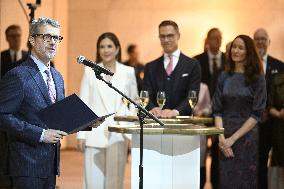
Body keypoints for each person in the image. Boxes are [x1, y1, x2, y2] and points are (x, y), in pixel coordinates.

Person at [0, 17, 69, 189]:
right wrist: (40, 134)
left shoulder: (57, 77)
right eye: (47, 37)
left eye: (56, 38)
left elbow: (59, 115)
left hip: (51, 164)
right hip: (26, 164)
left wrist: (88, 123)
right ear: (32, 39)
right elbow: (3, 116)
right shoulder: (18, 75)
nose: (53, 42)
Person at [77, 32, 138, 189]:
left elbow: (134, 103)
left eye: (109, 46)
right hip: (94, 134)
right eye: (102, 46)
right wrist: (81, 134)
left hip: (118, 135)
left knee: (114, 182)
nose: (106, 50)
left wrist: (129, 129)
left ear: (117, 49)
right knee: (93, 183)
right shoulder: (89, 72)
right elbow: (83, 103)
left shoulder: (128, 72)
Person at [212, 35, 266, 188]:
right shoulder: (223, 76)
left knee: (245, 181)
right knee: (226, 181)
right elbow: (217, 110)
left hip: (246, 138)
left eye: (240, 48)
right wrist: (222, 138)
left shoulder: (257, 78)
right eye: (234, 47)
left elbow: (257, 114)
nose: (235, 50)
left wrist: (232, 139)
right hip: (224, 136)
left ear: (249, 52)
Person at [143, 20, 201, 118]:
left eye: (170, 36)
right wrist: (152, 108)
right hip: (155, 123)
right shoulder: (150, 67)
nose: (166, 40)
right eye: (162, 36)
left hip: (183, 124)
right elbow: (146, 95)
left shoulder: (192, 65)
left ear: (178, 36)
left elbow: (192, 96)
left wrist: (175, 111)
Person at [194, 28, 225, 189]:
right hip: (199, 115)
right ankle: (199, 183)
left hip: (221, 115)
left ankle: (216, 183)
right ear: (207, 39)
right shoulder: (196, 60)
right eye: (213, 38)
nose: (216, 41)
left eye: (219, 38)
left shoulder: (228, 59)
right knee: (199, 153)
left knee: (219, 152)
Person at [253, 28, 284, 189]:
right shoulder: (246, 67)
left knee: (274, 163)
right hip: (252, 124)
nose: (260, 42)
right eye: (257, 39)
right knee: (256, 163)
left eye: (263, 39)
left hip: (275, 124)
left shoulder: (280, 66)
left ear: (269, 42)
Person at [268, 72, 284, 189]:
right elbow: (269, 105)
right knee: (279, 161)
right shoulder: (277, 79)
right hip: (279, 128)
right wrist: (279, 113)